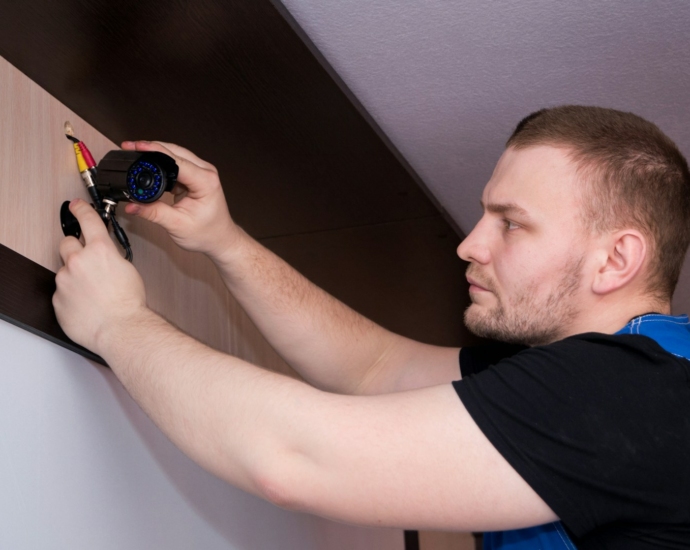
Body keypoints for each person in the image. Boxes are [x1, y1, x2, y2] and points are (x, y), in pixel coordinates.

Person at [52, 105, 690, 549]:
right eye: (482, 216)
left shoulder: (635, 394)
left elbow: (295, 458)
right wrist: (226, 243)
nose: (469, 245)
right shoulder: (602, 378)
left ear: (616, 260)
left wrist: (117, 324)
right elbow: (373, 369)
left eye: (511, 222)